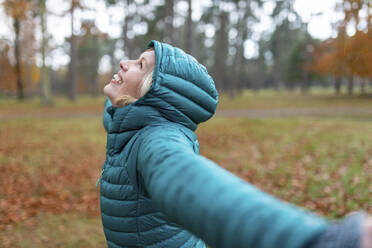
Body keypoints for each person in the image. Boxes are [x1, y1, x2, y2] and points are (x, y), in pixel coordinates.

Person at [99, 40, 372, 248]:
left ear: (154, 92)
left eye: (141, 65)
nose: (125, 62)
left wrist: (321, 242)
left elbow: (189, 183)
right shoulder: (129, 125)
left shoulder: (155, 139)